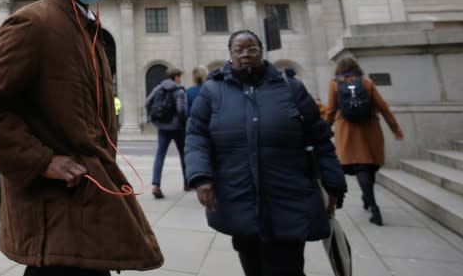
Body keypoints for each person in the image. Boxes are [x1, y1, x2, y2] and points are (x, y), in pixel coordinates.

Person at [0, 0, 163, 275]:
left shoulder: (87, 31)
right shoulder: (34, 22)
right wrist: (41, 161)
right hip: (54, 204)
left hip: (87, 194)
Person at [185, 30, 346, 276]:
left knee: (287, 267)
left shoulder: (290, 88)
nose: (245, 55)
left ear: (262, 52)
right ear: (230, 55)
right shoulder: (213, 91)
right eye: (239, 50)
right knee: (252, 265)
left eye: (251, 49)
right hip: (239, 194)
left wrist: (334, 183)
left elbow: (320, 138)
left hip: (288, 194)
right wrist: (201, 177)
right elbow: (196, 136)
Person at [326, 56, 404, 226]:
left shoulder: (334, 84)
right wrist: (395, 129)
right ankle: (369, 200)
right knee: (369, 165)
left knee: (359, 166)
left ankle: (372, 204)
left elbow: (331, 110)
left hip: (347, 131)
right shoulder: (366, 83)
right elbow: (383, 107)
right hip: (370, 129)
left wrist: (324, 130)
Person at [145, 67, 188, 198]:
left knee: (160, 155)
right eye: (179, 76)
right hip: (178, 128)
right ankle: (187, 183)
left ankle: (156, 185)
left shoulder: (158, 88)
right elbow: (181, 110)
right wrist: (183, 123)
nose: (180, 79)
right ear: (175, 77)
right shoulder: (179, 91)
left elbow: (148, 103)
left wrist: (155, 119)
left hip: (162, 128)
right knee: (184, 155)